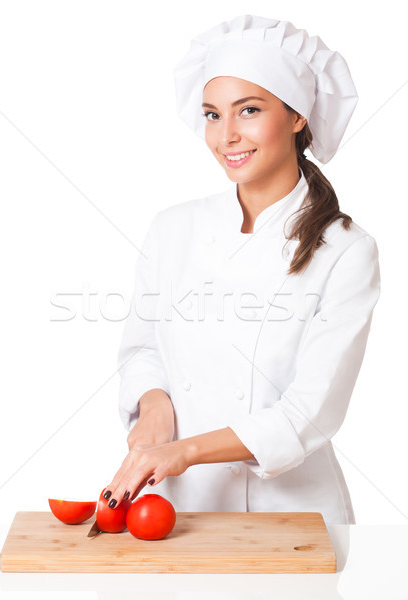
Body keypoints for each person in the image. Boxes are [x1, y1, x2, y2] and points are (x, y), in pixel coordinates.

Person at [102, 15, 380, 524]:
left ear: (298, 116)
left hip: (293, 520)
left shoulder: (346, 250)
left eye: (248, 110)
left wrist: (183, 452)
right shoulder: (172, 229)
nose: (226, 135)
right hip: (177, 510)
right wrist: (155, 409)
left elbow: (308, 414)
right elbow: (143, 350)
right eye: (212, 114)